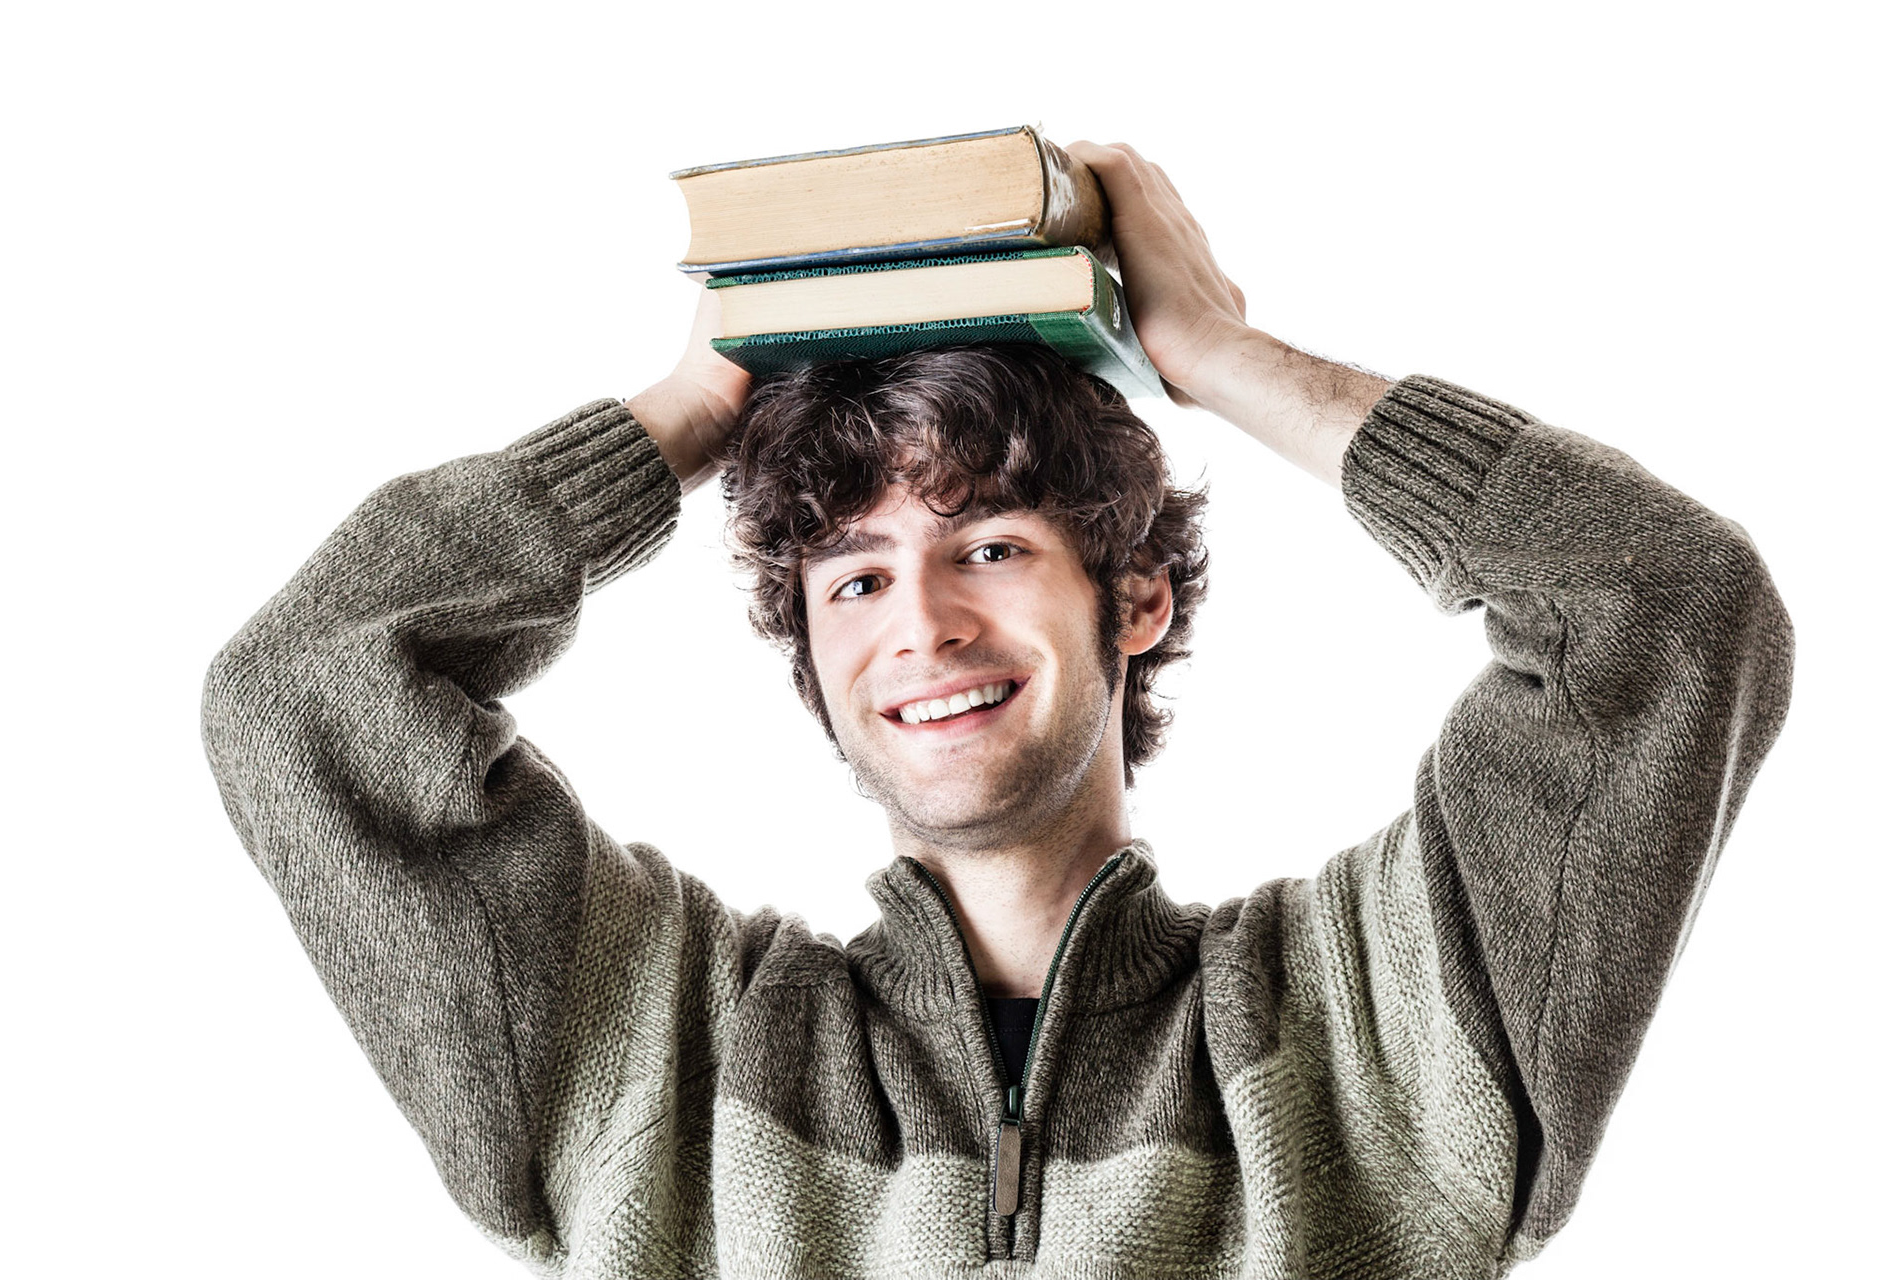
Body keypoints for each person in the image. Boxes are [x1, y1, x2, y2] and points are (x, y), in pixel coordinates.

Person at [200, 141, 1793, 1277]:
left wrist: (1219, 359)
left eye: (991, 545)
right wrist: (687, 411)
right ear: (812, 659)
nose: (928, 625)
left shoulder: (1391, 1020)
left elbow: (1664, 607)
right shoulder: (653, 1054)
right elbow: (306, 694)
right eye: (856, 579)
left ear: (1138, 599)